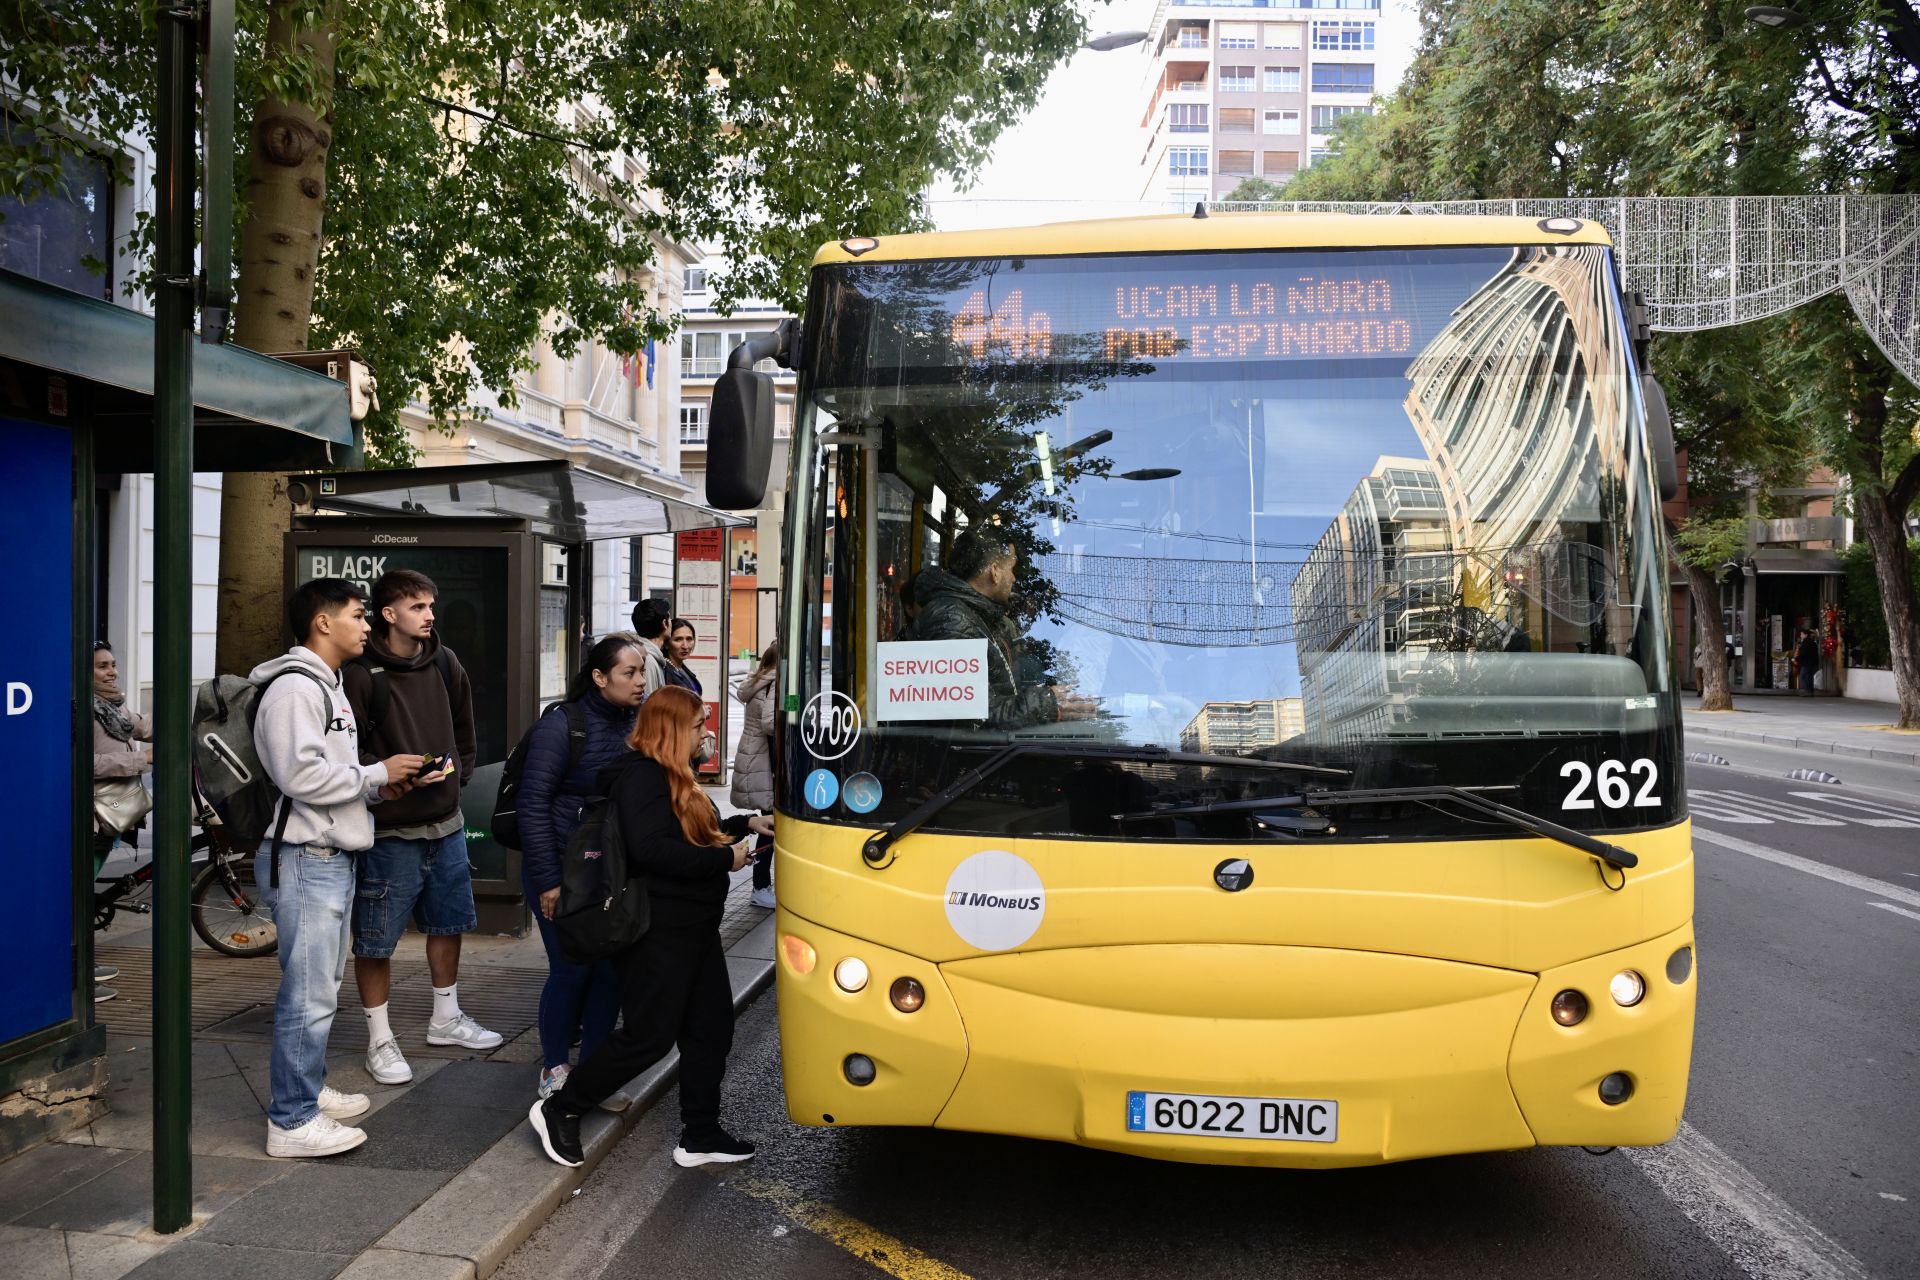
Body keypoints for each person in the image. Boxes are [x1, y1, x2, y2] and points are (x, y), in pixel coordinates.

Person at [527, 686, 772, 1169]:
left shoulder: (672, 775)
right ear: (673, 729)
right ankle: (561, 1107)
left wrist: (745, 824)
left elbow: (686, 830)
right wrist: (726, 859)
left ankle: (700, 1133)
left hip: (694, 927)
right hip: (659, 928)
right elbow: (651, 850)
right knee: (649, 1036)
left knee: (710, 1029)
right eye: (699, 724)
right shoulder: (642, 776)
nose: (706, 732)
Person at [252, 578, 425, 1158]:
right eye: (357, 615)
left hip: (325, 855)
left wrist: (381, 785)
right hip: (308, 858)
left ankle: (306, 1093)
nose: (367, 626)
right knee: (308, 995)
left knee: (318, 988)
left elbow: (326, 780)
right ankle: (292, 1121)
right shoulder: (297, 690)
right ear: (323, 622)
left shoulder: (327, 685)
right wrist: (377, 774)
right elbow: (298, 777)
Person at [342, 569, 500, 1087]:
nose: (430, 615)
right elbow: (350, 749)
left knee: (449, 923)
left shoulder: (445, 662)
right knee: (375, 940)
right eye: (418, 607)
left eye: (431, 605)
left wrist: (460, 776)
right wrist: (387, 779)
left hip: (447, 823)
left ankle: (446, 1018)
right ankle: (380, 1041)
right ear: (389, 615)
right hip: (389, 832)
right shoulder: (363, 674)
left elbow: (464, 729)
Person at [520, 633, 649, 1099]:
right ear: (599, 677)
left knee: (610, 970)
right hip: (559, 867)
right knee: (572, 969)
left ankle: (593, 1072)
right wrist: (549, 881)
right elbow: (532, 804)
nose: (639, 683)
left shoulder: (639, 720)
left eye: (641, 673)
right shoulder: (561, 726)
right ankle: (555, 1066)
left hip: (610, 870)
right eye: (628, 673)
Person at [909, 531, 1059, 727]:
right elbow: (973, 714)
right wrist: (1044, 703)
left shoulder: (976, 613)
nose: (1013, 578)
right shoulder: (952, 620)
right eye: (1011, 568)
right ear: (994, 572)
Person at [90, 641, 151, 1003]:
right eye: (101, 666)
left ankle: (80, 963)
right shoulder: (84, 707)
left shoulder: (113, 706)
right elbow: (87, 761)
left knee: (84, 886)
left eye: (112, 664)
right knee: (76, 894)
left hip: (114, 810)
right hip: (95, 812)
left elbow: (138, 725)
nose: (111, 671)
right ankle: (75, 976)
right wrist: (140, 760)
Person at [730, 643, 778, 909]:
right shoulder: (775, 683)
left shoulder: (758, 680)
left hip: (754, 756)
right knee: (769, 827)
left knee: (767, 824)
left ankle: (762, 884)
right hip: (765, 761)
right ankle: (760, 886)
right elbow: (771, 723)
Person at [629, 597, 673, 698]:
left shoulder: (648, 655)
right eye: (669, 619)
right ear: (665, 624)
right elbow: (648, 707)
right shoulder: (648, 660)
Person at [663, 618, 702, 696]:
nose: (685, 646)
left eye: (689, 639)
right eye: (678, 639)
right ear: (667, 643)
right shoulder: (665, 671)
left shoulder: (681, 668)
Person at [1796, 627, 1820, 695]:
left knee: (1804, 676)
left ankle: (1807, 690)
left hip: (1807, 663)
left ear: (1806, 635)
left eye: (1802, 634)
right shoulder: (1812, 642)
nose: (1801, 636)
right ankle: (1810, 691)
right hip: (1812, 663)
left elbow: (1804, 653)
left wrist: (1797, 658)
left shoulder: (1806, 643)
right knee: (1809, 677)